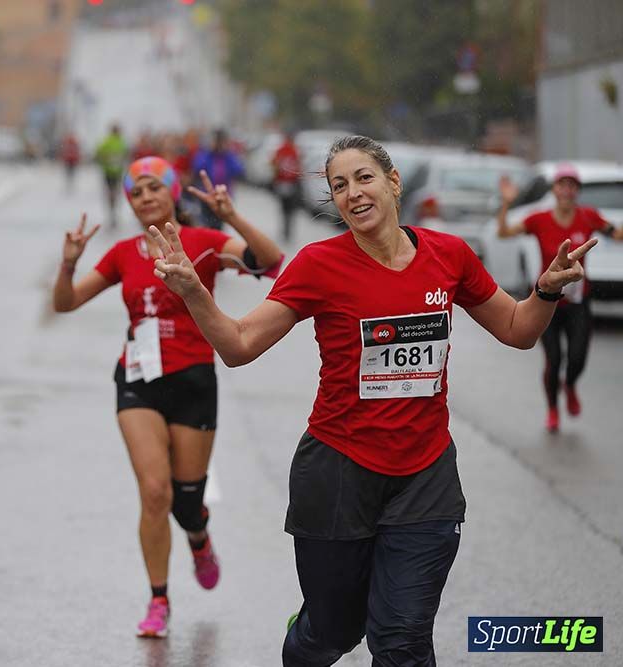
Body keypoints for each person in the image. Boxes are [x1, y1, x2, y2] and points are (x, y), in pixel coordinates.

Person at [146, 136, 596, 664]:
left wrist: (545, 291)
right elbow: (240, 346)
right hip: (338, 472)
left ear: (393, 182)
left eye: (363, 178)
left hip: (425, 478)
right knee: (333, 634)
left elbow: (518, 330)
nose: (353, 193)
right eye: (339, 186)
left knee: (401, 639)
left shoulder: (448, 256)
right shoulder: (318, 264)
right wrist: (195, 291)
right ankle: (310, 631)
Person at [53, 156, 283, 638]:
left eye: (155, 187)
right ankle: (158, 599)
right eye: (136, 192)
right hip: (138, 380)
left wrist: (231, 214)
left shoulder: (203, 243)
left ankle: (198, 536)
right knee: (154, 491)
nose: (145, 197)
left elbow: (270, 260)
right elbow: (66, 302)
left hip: (194, 379)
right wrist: (69, 262)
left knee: (184, 500)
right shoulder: (121, 253)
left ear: (173, 192)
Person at [497, 164, 623, 432]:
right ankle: (553, 408)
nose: (566, 190)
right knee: (554, 359)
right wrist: (506, 204)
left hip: (579, 303)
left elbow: (617, 234)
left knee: (577, 359)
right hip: (547, 304)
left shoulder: (588, 216)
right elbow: (504, 233)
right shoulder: (538, 219)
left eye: (572, 185)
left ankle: (571, 385)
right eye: (561, 184)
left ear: (577, 191)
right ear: (554, 189)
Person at [192, 128, 245, 230]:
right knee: (206, 223)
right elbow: (197, 167)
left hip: (223, 195)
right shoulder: (206, 154)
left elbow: (238, 170)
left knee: (219, 225)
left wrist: (227, 152)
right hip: (206, 194)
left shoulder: (228, 156)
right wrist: (209, 151)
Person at [94, 123, 129, 228]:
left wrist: (104, 161)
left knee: (112, 192)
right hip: (113, 171)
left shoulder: (108, 142)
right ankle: (113, 210)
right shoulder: (120, 142)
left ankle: (112, 210)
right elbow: (125, 154)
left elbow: (98, 153)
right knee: (114, 192)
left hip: (111, 171)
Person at [271, 132, 302, 240]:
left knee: (284, 208)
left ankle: (286, 230)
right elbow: (299, 166)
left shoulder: (281, 150)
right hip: (290, 182)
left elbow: (274, 165)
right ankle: (287, 230)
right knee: (290, 208)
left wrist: (275, 179)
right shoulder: (295, 150)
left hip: (283, 182)